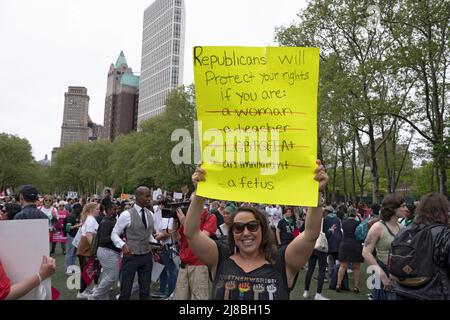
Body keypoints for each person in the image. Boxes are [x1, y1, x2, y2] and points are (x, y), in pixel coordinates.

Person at [183, 160, 328, 300]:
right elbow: (191, 233)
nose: (246, 233)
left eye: (252, 226)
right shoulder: (220, 257)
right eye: (238, 228)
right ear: (232, 233)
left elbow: (310, 234)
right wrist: (199, 192)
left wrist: (316, 193)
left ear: (263, 229)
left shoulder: (282, 261)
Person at [391, 192, 450, 300]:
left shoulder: (404, 231)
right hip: (433, 293)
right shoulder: (443, 233)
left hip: (402, 290)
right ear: (443, 210)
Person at [111, 186, 155, 300]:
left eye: (150, 196)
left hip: (146, 256)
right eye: (147, 196)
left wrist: (156, 245)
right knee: (125, 291)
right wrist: (123, 245)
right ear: (138, 197)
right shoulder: (126, 215)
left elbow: (147, 234)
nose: (150, 198)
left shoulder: (150, 214)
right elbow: (114, 234)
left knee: (145, 291)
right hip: (131, 256)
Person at [362, 193, 407, 300]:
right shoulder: (378, 227)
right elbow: (365, 252)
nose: (406, 209)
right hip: (383, 272)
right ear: (393, 209)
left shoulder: (403, 228)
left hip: (399, 275)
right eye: (403, 206)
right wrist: (382, 275)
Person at [172, 200, 217, 300]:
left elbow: (201, 239)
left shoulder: (209, 217)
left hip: (199, 265)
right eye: (190, 202)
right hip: (184, 265)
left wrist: (185, 222)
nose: (192, 205)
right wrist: (175, 221)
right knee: (180, 297)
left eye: (195, 201)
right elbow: (176, 238)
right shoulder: (187, 217)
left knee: (198, 297)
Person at [88, 203, 121, 300]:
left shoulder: (111, 220)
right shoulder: (106, 222)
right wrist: (117, 238)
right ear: (109, 210)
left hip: (109, 251)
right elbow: (104, 239)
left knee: (107, 275)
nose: (116, 210)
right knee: (113, 276)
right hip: (107, 251)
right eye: (114, 209)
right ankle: (95, 296)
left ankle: (102, 296)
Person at [151, 199, 179, 299]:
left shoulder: (167, 217)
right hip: (163, 247)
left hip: (167, 247)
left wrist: (156, 237)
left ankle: (170, 293)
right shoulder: (165, 216)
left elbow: (166, 233)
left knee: (172, 270)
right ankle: (163, 290)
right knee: (163, 269)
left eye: (160, 205)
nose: (158, 207)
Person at [336, 207, 363, 293]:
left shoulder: (343, 223)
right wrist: (360, 217)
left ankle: (338, 285)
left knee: (342, 266)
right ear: (355, 214)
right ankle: (356, 287)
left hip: (345, 245)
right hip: (356, 245)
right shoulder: (358, 223)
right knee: (357, 267)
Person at [76, 202, 100, 299]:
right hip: (87, 249)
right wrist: (95, 249)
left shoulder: (89, 219)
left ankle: (83, 290)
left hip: (85, 248)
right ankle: (81, 292)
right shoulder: (90, 220)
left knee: (89, 270)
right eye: (97, 209)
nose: (99, 211)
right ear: (91, 210)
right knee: (89, 270)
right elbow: (89, 235)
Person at [323, 205, 342, 278]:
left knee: (330, 257)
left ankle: (332, 273)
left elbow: (324, 231)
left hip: (329, 239)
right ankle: (337, 272)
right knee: (336, 257)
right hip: (338, 239)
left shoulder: (325, 219)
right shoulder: (338, 219)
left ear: (327, 212)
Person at [63, 203, 82, 272]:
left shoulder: (77, 215)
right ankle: (68, 268)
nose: (80, 210)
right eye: (79, 209)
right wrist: (78, 225)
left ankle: (72, 267)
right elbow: (68, 228)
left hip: (76, 236)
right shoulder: (71, 216)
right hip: (71, 236)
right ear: (75, 209)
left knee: (74, 253)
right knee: (70, 253)